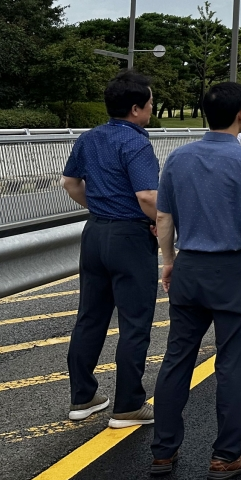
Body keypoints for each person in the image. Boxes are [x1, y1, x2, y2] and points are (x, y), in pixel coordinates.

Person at [150, 81, 241, 480]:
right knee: (230, 362)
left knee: (176, 359)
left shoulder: (178, 159)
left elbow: (164, 219)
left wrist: (169, 261)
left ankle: (163, 453)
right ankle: (225, 456)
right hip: (228, 271)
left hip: (188, 266)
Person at [61, 69, 161, 430]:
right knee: (134, 323)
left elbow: (70, 183)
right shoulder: (136, 142)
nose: (152, 109)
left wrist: (100, 205)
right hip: (130, 238)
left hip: (95, 234)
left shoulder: (89, 139)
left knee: (90, 316)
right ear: (136, 109)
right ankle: (128, 405)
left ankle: (83, 397)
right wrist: (166, 224)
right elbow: (147, 196)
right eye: (150, 104)